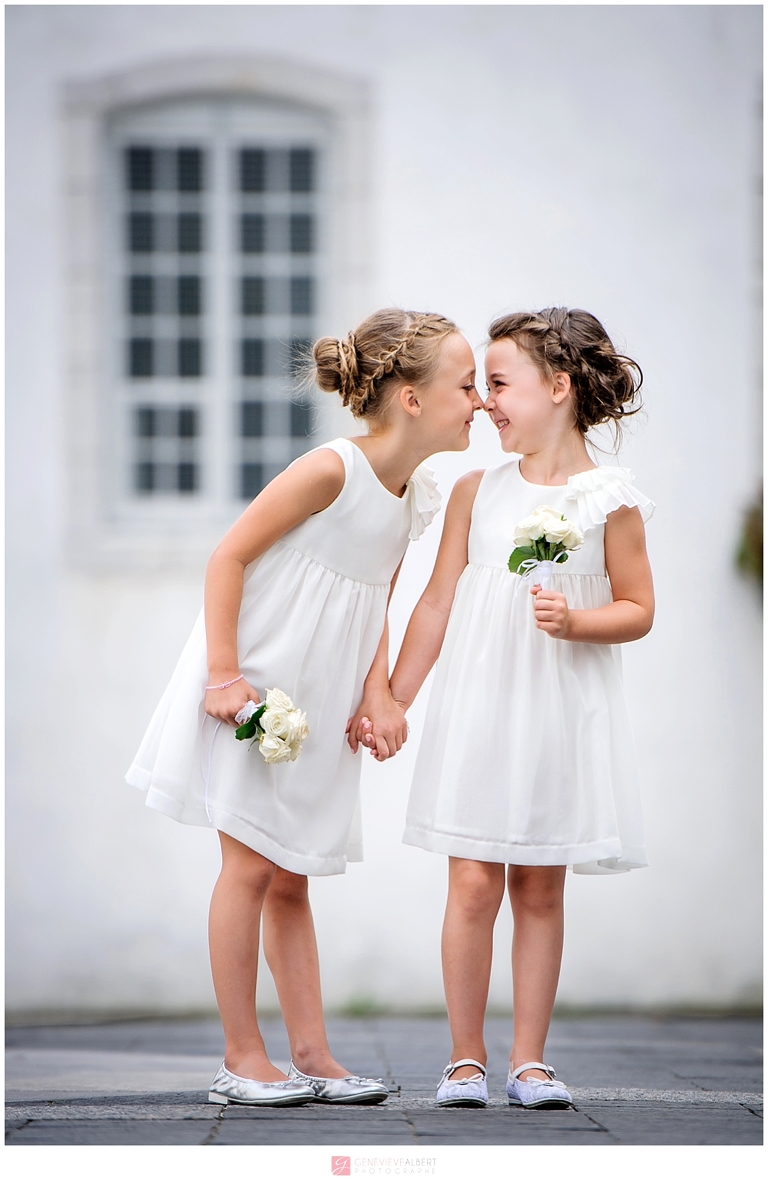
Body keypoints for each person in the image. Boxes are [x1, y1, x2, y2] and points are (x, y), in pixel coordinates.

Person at [126, 308, 483, 1107]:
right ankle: (240, 1057)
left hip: (320, 699)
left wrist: (378, 694)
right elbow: (230, 555)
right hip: (254, 687)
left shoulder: (412, 496)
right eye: (466, 385)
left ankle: (312, 1055)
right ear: (412, 399)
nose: (481, 401)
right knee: (249, 865)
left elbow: (373, 604)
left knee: (292, 877)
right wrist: (223, 674)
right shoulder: (331, 469)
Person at [380, 307, 654, 1110]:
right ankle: (465, 1058)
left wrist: (579, 619)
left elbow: (638, 607)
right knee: (472, 883)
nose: (486, 402)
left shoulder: (610, 501)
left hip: (559, 715)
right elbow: (434, 605)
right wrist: (395, 699)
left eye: (499, 384)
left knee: (540, 886)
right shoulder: (478, 490)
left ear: (559, 389)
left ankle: (529, 1060)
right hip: (482, 708)